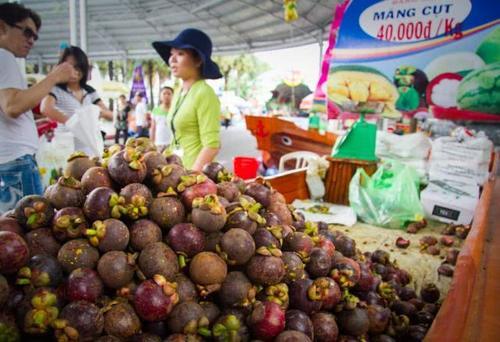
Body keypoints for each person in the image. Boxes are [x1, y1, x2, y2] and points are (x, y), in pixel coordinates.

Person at [0, 2, 77, 213]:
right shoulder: (4, 57)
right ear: (2, 27)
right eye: (26, 32)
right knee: (30, 235)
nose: (31, 40)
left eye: (35, 36)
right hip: (16, 162)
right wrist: (54, 76)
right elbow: (12, 106)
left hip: (9, 162)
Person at [152, 28, 222, 171]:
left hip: (193, 178)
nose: (172, 59)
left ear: (198, 61)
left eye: (180, 54)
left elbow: (212, 145)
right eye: (172, 54)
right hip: (176, 171)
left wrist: (191, 178)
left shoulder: (204, 93)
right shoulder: (178, 92)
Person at [40, 45, 113, 155]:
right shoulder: (56, 89)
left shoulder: (90, 91)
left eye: (78, 67)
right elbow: (45, 108)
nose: (74, 72)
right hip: (65, 148)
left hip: (90, 147)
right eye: (69, 67)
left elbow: (110, 115)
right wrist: (72, 123)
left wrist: (96, 112)